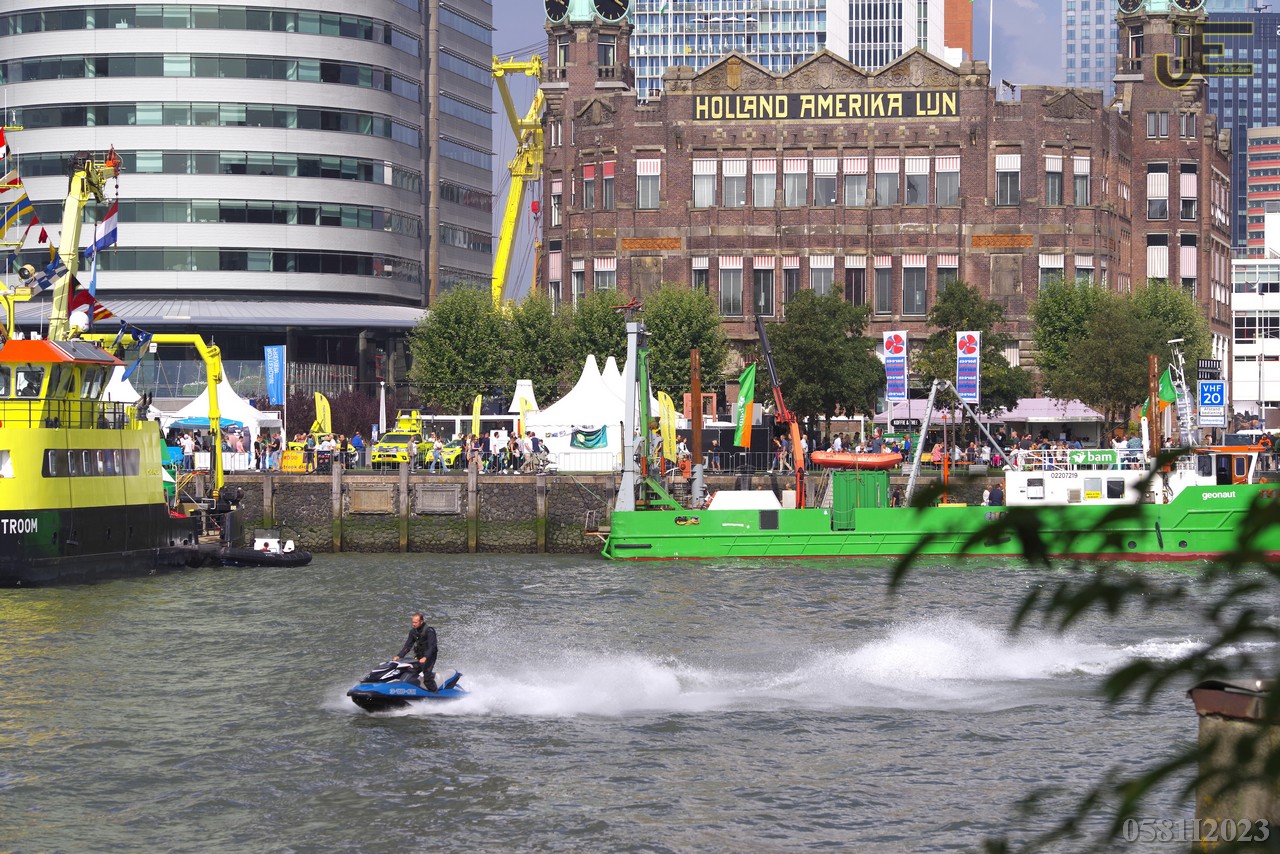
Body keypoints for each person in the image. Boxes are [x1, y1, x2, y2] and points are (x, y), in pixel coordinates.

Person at [392, 612, 438, 692]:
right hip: (419, 656)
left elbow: (432, 646)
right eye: (412, 622)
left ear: (421, 622)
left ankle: (435, 693)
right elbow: (407, 646)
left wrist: (425, 657)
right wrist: (399, 656)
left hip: (429, 656)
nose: (413, 624)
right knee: (409, 671)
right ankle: (409, 690)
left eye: (415, 622)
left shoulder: (429, 631)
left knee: (427, 677)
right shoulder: (413, 632)